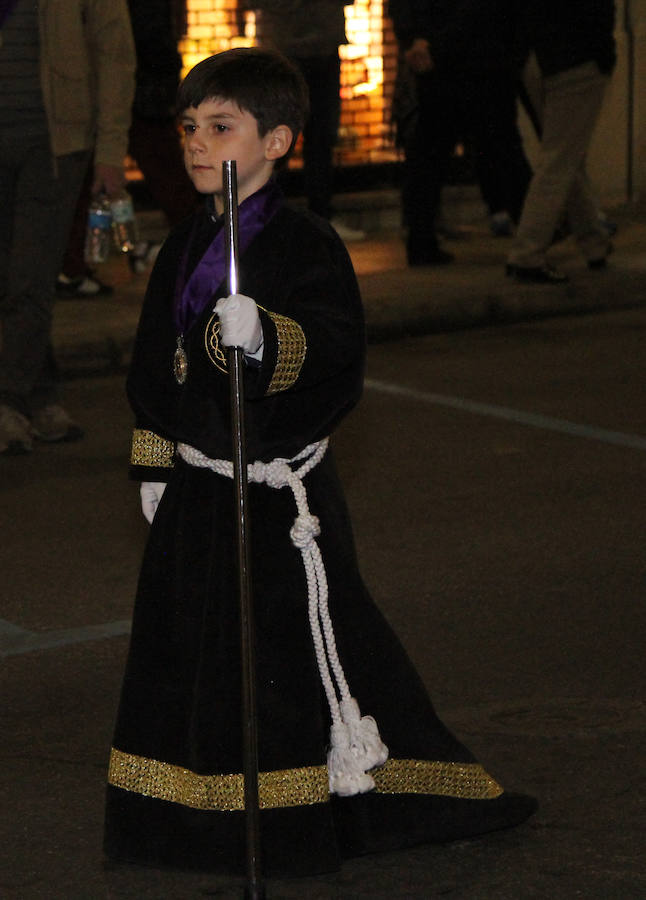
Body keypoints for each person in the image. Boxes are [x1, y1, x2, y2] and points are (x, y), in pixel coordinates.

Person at [104, 47, 537, 878]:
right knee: (187, 658)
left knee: (290, 658)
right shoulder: (181, 248)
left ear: (278, 141)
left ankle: (308, 809)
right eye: (190, 126)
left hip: (277, 499)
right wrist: (156, 460)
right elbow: (154, 368)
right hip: (199, 489)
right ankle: (187, 818)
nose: (196, 143)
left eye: (220, 127)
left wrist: (266, 339)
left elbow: (337, 350)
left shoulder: (305, 245)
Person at [0, 0, 136, 455]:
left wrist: (111, 150)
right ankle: (40, 396)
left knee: (29, 279)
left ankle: (8, 402)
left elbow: (114, 50)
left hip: (54, 148)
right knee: (12, 283)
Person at [56, 0, 199, 297]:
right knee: (167, 180)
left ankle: (75, 266)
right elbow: (141, 42)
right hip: (139, 94)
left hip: (136, 93)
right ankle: (196, 251)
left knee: (161, 180)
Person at [388, 0, 531, 265]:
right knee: (502, 147)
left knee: (429, 156)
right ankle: (534, 230)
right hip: (481, 63)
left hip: (447, 64)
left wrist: (415, 41)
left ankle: (421, 240)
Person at [506, 0, 616, 284]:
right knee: (558, 162)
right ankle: (527, 253)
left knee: (566, 156)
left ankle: (594, 241)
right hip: (576, 59)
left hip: (535, 57)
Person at [248, 0, 366, 242]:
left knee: (321, 137)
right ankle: (264, 218)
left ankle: (320, 217)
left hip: (322, 48)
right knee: (278, 138)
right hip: (286, 51)